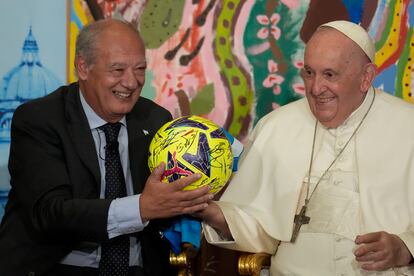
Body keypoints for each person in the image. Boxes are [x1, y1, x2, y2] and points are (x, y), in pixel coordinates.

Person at [199, 20, 414, 275]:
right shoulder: (276, 126)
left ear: (366, 77)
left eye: (329, 75)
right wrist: (208, 211)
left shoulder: (408, 126)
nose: (315, 88)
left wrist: (404, 247)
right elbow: (257, 225)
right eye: (309, 73)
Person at [0, 19, 212, 276]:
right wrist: (141, 207)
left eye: (140, 69)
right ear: (83, 67)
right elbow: (50, 213)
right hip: (60, 267)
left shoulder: (155, 120)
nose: (132, 82)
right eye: (117, 70)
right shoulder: (40, 120)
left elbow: (167, 208)